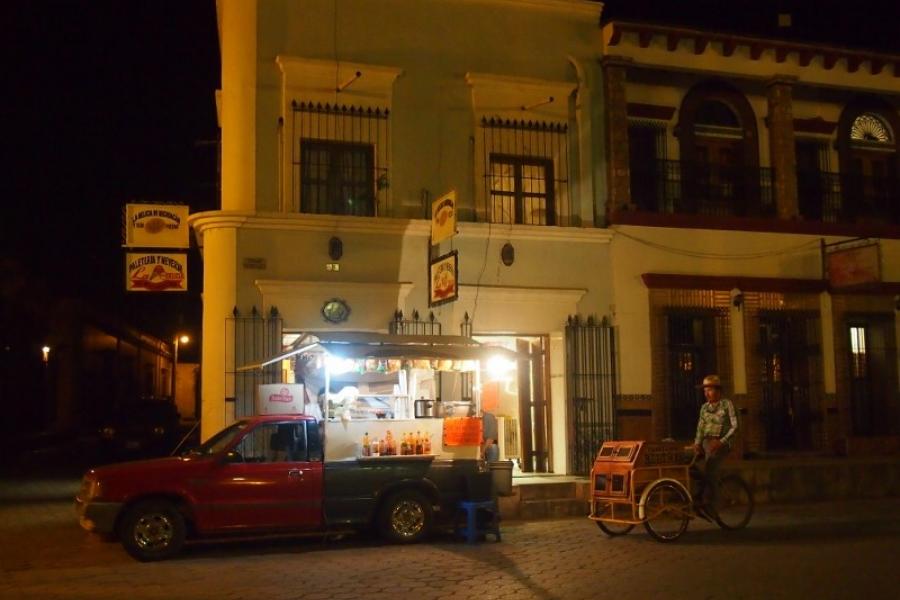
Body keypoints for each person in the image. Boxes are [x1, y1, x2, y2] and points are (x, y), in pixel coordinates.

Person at [692, 374, 738, 516]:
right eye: (705, 390)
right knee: (691, 466)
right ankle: (698, 497)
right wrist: (697, 443)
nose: (706, 393)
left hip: (721, 443)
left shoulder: (727, 404)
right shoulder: (704, 407)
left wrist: (721, 442)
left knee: (710, 469)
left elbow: (735, 426)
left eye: (709, 390)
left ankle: (714, 505)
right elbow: (700, 427)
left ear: (718, 391)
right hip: (706, 442)